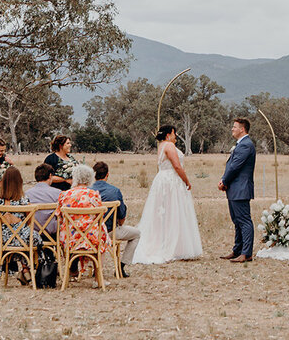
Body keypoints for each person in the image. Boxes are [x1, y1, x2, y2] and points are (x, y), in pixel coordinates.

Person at [132, 126, 202, 265]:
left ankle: (174, 244)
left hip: (164, 180)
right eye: (174, 133)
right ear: (169, 134)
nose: (176, 136)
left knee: (167, 213)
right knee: (173, 212)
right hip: (170, 181)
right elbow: (176, 166)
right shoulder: (169, 145)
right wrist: (186, 180)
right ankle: (169, 247)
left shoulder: (162, 145)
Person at [92, 160, 142, 276]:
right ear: (107, 174)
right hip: (110, 232)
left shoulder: (88, 191)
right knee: (137, 234)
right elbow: (122, 217)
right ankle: (121, 266)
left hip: (90, 233)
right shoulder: (115, 191)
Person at [218, 117, 257, 263]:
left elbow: (235, 166)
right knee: (237, 220)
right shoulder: (241, 144)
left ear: (242, 129)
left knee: (244, 220)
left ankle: (246, 253)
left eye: (234, 127)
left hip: (240, 188)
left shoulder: (246, 145)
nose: (232, 129)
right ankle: (237, 250)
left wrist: (224, 180)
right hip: (234, 188)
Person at [0, 166, 40, 283]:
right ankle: (26, 268)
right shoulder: (23, 199)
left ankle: (24, 270)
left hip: (4, 239)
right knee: (34, 238)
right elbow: (29, 220)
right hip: (22, 239)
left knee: (23, 237)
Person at [57, 164, 109, 264]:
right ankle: (98, 274)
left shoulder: (64, 195)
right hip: (92, 238)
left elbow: (59, 218)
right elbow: (99, 217)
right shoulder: (94, 194)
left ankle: (71, 268)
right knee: (103, 232)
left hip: (70, 238)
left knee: (63, 229)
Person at [24, 162, 62, 238]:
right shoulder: (58, 193)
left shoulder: (26, 194)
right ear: (50, 176)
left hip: (32, 232)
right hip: (53, 233)